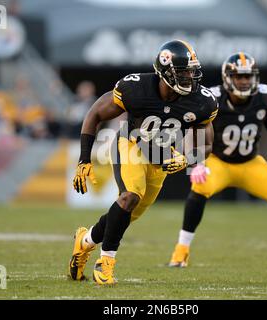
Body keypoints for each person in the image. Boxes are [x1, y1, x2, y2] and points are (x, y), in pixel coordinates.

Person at [69, 40, 218, 285]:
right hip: (132, 145)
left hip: (162, 157)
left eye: (192, 71)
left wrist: (186, 159)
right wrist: (84, 159)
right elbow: (95, 113)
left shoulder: (201, 101)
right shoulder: (136, 88)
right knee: (130, 196)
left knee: (127, 214)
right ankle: (105, 264)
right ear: (165, 72)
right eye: (183, 72)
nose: (190, 77)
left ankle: (84, 242)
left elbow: (207, 145)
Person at [169, 52, 267, 270]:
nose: (243, 81)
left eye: (247, 76)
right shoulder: (213, 99)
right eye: (238, 76)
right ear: (227, 78)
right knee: (199, 186)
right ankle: (181, 251)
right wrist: (196, 163)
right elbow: (194, 131)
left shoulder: (264, 98)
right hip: (218, 162)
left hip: (251, 163)